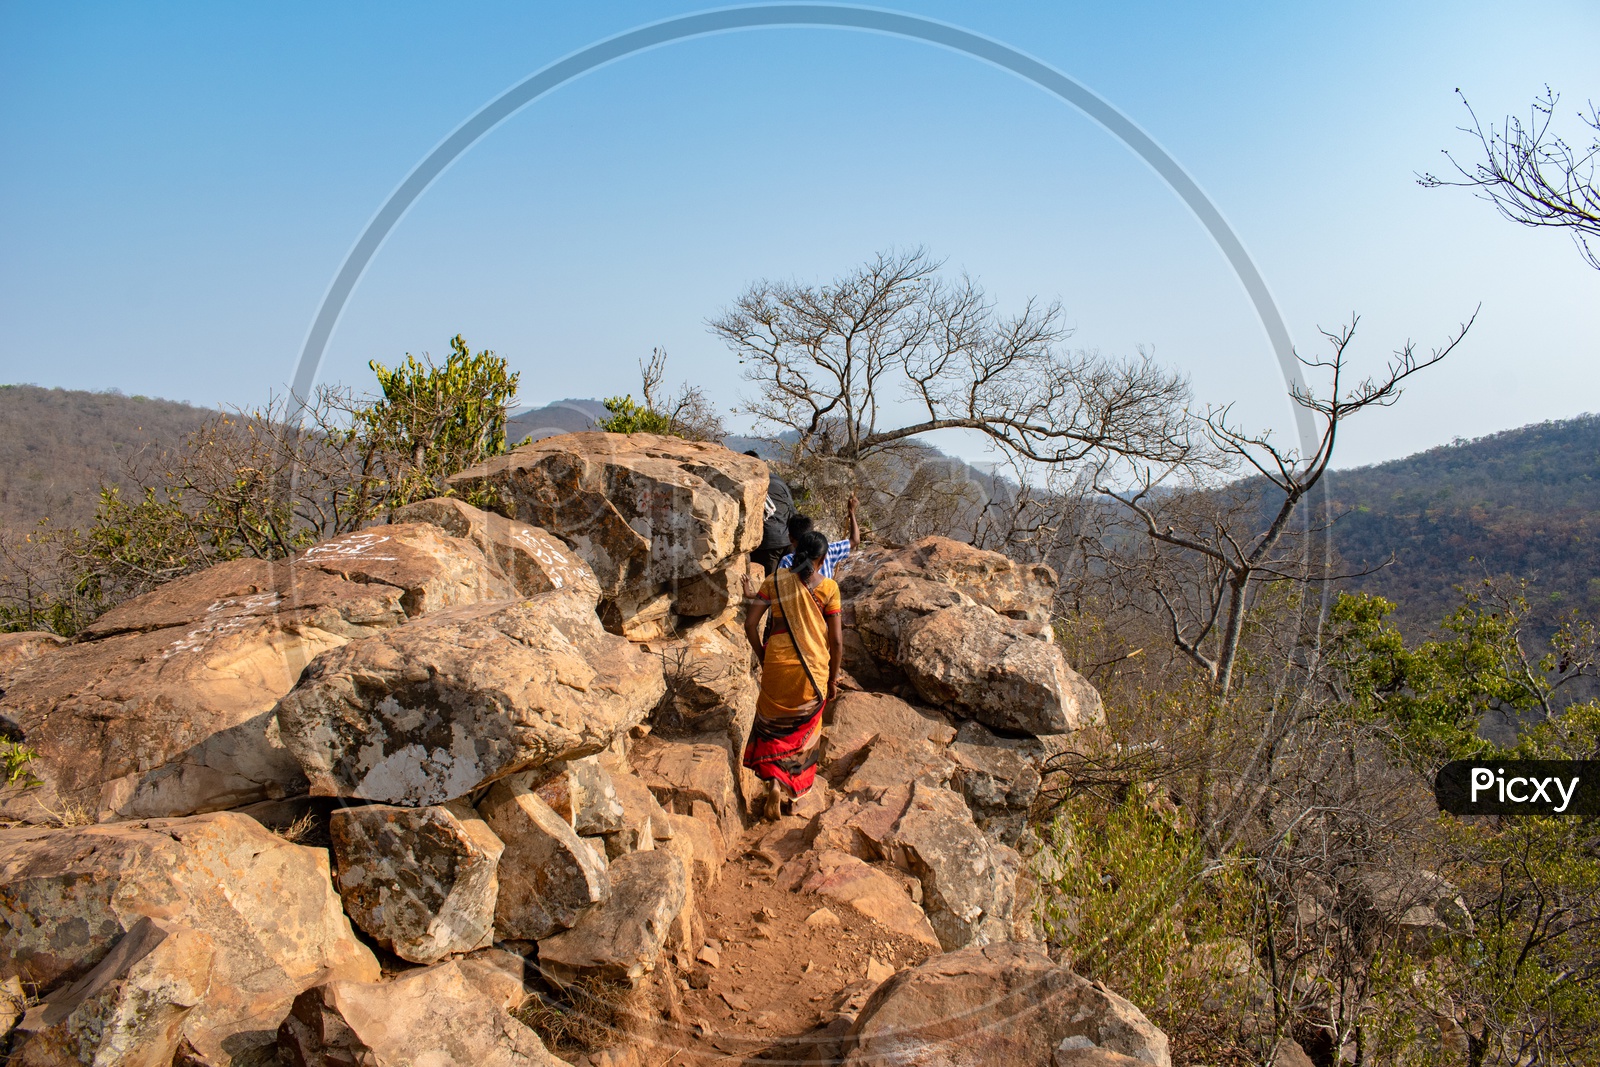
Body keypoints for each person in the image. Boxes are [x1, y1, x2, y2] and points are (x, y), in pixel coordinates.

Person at [741, 529, 843, 820]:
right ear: (822, 560)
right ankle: (787, 786)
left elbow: (750, 625)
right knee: (803, 735)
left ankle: (773, 781)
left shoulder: (774, 582)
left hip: (776, 667)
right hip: (811, 674)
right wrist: (833, 679)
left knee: (774, 729)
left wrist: (763, 656)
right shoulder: (829, 589)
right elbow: (835, 642)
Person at [776, 491, 859, 579]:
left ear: (790, 538)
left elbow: (780, 587)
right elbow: (855, 540)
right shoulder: (828, 550)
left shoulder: (788, 561)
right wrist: (851, 512)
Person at [746, 450, 796, 576]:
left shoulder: (750, 484)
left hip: (768, 544)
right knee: (788, 583)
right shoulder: (778, 480)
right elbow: (792, 508)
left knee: (769, 587)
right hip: (788, 539)